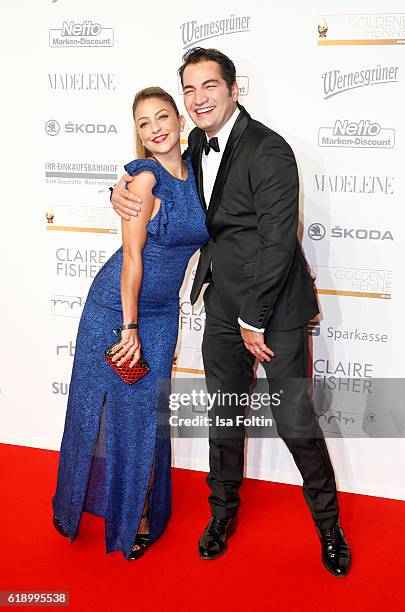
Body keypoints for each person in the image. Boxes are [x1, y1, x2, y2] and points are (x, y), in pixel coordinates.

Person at [111, 49, 352, 577]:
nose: (198, 100)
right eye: (189, 91)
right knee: (224, 416)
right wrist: (121, 191)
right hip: (220, 303)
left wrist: (253, 318)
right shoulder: (195, 142)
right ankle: (222, 516)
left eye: (209, 87)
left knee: (294, 420)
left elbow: (278, 242)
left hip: (274, 310)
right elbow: (159, 172)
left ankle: (329, 528)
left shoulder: (270, 150)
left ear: (234, 88)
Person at [51, 87, 208, 560]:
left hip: (161, 315)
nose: (156, 128)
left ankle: (136, 510)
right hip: (119, 312)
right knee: (107, 412)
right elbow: (133, 260)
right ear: (138, 133)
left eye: (163, 117)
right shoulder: (143, 180)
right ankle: (123, 517)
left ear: (181, 121)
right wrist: (129, 327)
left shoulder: (194, 170)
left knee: (144, 418)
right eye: (144, 122)